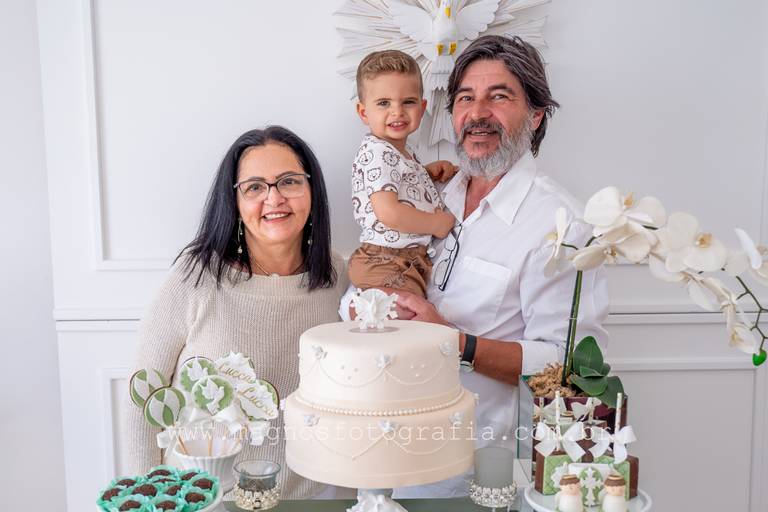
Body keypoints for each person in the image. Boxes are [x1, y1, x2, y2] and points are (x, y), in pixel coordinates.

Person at [341, 35, 609, 497]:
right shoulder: (431, 193)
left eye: (499, 96)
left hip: (475, 477)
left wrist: (453, 342)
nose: (478, 113)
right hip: (385, 460)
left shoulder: (562, 226)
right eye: (466, 98)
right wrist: (363, 305)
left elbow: (572, 367)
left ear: (536, 115)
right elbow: (381, 262)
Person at [125, 126, 349, 499]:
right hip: (205, 501)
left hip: (310, 499)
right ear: (234, 201)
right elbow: (143, 400)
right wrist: (149, 498)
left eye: (289, 181)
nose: (274, 198)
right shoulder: (196, 277)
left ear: (312, 190)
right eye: (254, 187)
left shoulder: (338, 276)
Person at [348, 49, 458, 298]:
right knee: (405, 319)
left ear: (422, 107)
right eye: (384, 103)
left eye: (408, 102)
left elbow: (396, 187)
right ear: (364, 112)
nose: (397, 111)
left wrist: (425, 173)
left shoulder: (397, 152)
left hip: (402, 260)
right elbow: (389, 212)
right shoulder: (378, 153)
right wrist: (436, 224)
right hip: (387, 260)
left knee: (408, 317)